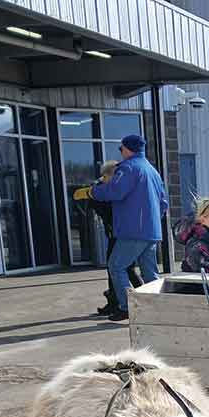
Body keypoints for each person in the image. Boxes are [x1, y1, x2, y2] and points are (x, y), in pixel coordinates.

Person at [89, 134, 168, 321]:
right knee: (150, 272)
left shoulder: (128, 168)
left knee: (116, 266)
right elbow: (163, 203)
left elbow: (115, 191)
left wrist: (93, 191)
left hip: (133, 230)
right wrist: (152, 221)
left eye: (121, 149)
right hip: (151, 231)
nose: (121, 152)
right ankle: (160, 308)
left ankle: (127, 307)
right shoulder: (152, 170)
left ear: (126, 149)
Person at [74, 160, 143, 317]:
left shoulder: (117, 191)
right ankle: (115, 302)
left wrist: (94, 194)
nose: (103, 179)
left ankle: (136, 301)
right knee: (118, 269)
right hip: (116, 235)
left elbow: (107, 208)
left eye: (106, 176)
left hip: (123, 236)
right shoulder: (107, 190)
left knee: (122, 269)